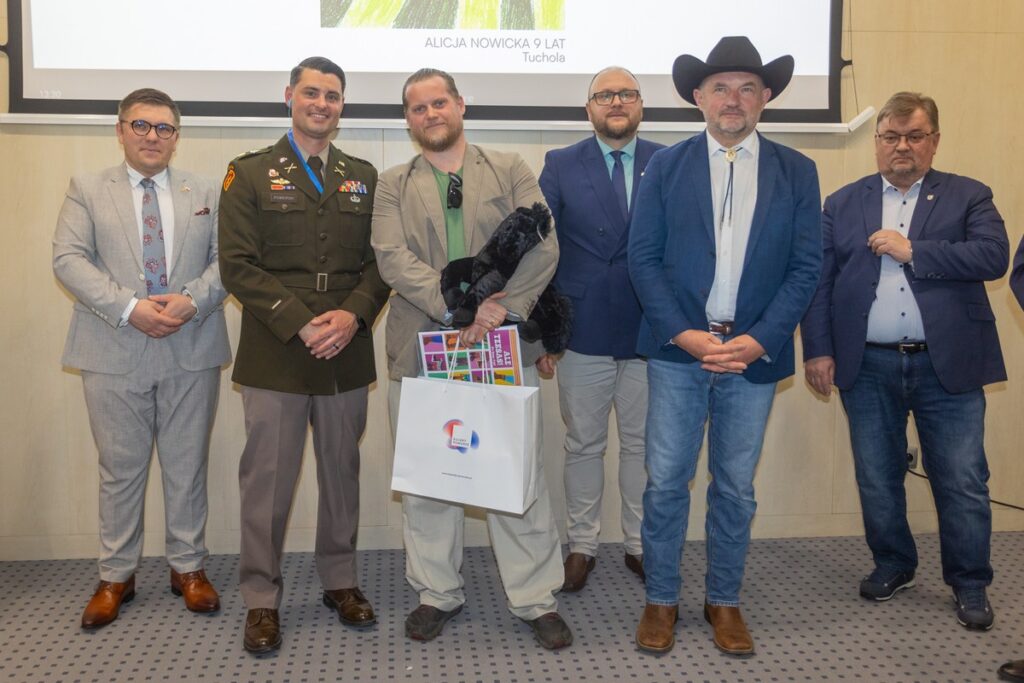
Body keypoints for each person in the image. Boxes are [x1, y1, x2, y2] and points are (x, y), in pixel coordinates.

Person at [628, 36, 822, 655]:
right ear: (698, 97)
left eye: (746, 88)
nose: (732, 99)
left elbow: (806, 267)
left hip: (751, 358)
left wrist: (759, 340)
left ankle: (725, 600)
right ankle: (662, 598)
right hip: (678, 354)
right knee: (665, 483)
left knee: (736, 487)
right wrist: (685, 335)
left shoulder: (798, 171)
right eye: (720, 88)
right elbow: (643, 260)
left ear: (765, 98)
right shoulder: (665, 167)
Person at [371, 68, 572, 650]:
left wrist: (497, 311)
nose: (431, 114)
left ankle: (535, 598)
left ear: (461, 105)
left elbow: (545, 245)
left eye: (440, 102)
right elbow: (392, 258)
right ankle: (437, 592)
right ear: (408, 119)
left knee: (516, 472)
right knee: (428, 477)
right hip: (424, 344)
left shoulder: (509, 167)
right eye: (418, 108)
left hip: (501, 341)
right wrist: (459, 310)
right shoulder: (392, 184)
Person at [801, 91, 1008, 632]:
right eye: (891, 137)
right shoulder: (842, 203)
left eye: (914, 136)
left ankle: (969, 581)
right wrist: (818, 349)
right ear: (876, 143)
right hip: (868, 365)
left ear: (934, 141)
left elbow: (994, 256)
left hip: (947, 365)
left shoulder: (969, 195)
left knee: (962, 478)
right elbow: (819, 283)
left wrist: (914, 251)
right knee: (876, 475)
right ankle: (894, 563)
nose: (902, 147)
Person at [218, 56, 390, 654]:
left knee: (342, 472)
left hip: (346, 345)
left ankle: (339, 581)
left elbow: (381, 263)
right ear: (289, 96)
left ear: (342, 105)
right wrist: (301, 322)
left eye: (332, 95)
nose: (322, 104)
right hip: (276, 350)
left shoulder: (364, 176)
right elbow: (237, 264)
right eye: (311, 93)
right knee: (267, 481)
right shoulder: (249, 173)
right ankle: (261, 596)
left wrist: (352, 314)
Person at [53, 87, 230, 629]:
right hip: (112, 349)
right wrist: (131, 309)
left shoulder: (206, 189)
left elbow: (230, 260)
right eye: (141, 125)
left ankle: (188, 568)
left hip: (191, 344)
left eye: (164, 128)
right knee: (120, 470)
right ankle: (116, 575)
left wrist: (192, 299)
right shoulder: (88, 188)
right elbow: (68, 259)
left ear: (177, 136)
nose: (153, 136)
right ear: (120, 130)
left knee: (187, 466)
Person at [537, 66, 664, 592]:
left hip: (650, 327)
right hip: (582, 327)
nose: (616, 102)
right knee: (583, 444)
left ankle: (639, 544)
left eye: (626, 94)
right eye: (605, 95)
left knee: (642, 445)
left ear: (641, 104)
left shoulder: (668, 160)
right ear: (588, 107)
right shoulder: (561, 163)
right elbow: (541, 251)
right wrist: (546, 333)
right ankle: (582, 545)